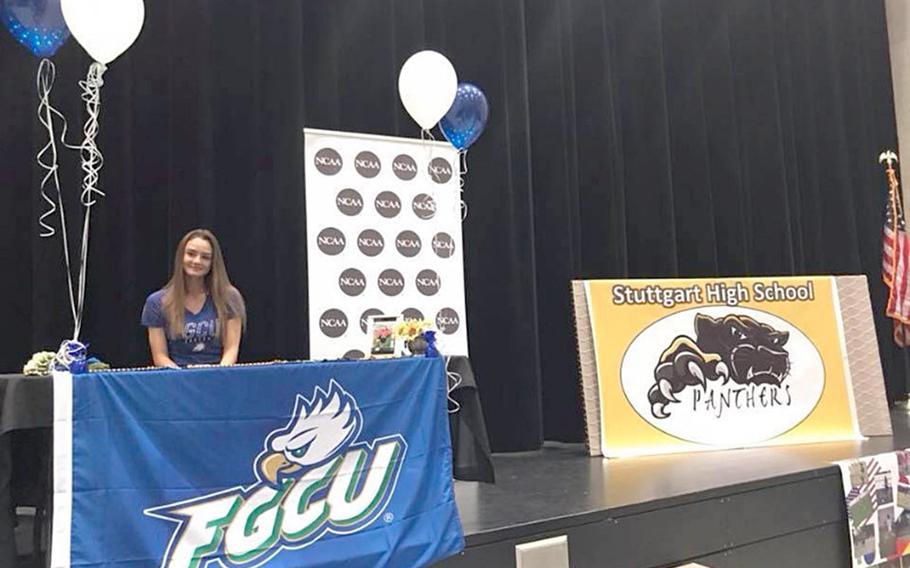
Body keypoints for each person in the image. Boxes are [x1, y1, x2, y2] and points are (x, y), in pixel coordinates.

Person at [141, 229, 246, 368]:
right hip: (176, 380)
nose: (197, 261)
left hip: (218, 377)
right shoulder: (156, 302)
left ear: (213, 262)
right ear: (181, 256)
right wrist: (184, 377)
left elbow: (231, 351)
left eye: (205, 257)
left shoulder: (230, 297)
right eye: (191, 254)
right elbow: (160, 356)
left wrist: (216, 373)